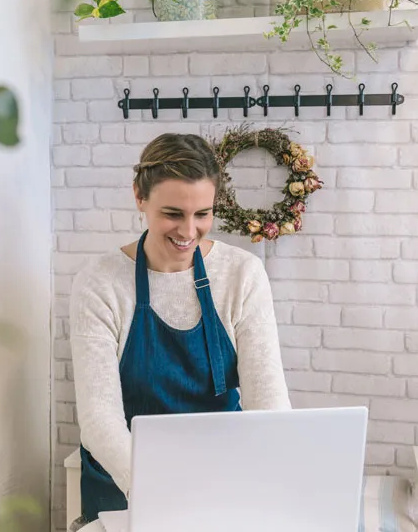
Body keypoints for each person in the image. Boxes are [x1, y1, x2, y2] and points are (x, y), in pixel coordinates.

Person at [69, 133, 291, 531]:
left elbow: (269, 404)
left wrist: (265, 481)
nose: (188, 231)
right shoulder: (99, 283)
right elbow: (99, 420)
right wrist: (159, 490)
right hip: (126, 483)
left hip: (223, 475)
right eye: (173, 213)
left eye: (202, 214)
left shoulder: (242, 275)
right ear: (140, 197)